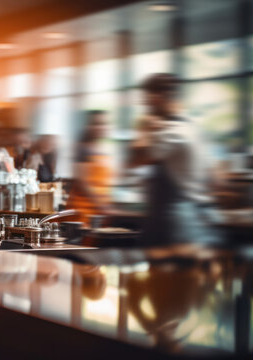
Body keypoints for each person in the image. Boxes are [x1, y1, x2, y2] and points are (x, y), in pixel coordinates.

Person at [128, 73, 219, 245]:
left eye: (146, 100)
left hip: (175, 222)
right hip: (200, 218)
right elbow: (215, 179)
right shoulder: (194, 128)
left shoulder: (171, 132)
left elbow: (135, 160)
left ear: (157, 97)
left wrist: (143, 128)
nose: (145, 105)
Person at [66, 110, 112, 223]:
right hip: (84, 210)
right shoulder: (82, 149)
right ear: (88, 126)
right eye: (96, 123)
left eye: (104, 123)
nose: (101, 127)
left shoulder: (102, 149)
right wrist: (102, 206)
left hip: (99, 210)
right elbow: (82, 183)